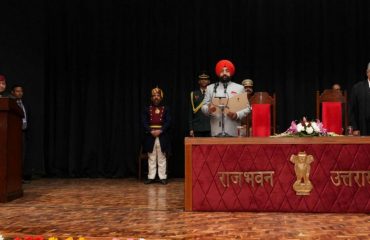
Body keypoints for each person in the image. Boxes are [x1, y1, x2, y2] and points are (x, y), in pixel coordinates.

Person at [201, 59, 251, 136]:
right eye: (222, 71)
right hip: (216, 131)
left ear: (231, 72)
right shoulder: (210, 88)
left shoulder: (239, 88)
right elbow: (203, 106)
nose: (224, 73)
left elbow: (247, 108)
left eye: (227, 71)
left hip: (233, 130)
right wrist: (208, 109)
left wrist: (237, 115)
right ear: (218, 73)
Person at [142, 87, 171, 184]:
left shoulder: (166, 108)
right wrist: (151, 131)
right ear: (151, 98)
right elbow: (144, 122)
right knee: (152, 156)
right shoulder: (147, 109)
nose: (156, 97)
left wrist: (161, 130)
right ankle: (151, 177)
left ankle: (162, 177)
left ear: (161, 97)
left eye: (158, 95)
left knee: (162, 156)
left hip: (162, 135)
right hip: (150, 135)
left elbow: (168, 121)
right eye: (154, 96)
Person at [11, 85, 31, 181]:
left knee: (23, 154)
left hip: (23, 132)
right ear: (13, 92)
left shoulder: (24, 104)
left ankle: (20, 176)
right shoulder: (11, 104)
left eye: (21, 91)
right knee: (14, 154)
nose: (20, 93)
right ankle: (14, 177)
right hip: (13, 132)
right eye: (17, 91)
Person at [349, 62, 370, 136]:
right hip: (362, 128)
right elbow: (352, 110)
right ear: (367, 72)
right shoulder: (357, 88)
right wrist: (355, 128)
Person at [188, 72, 211, 137]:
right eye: (201, 79)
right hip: (197, 127)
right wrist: (191, 128)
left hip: (210, 127)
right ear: (199, 81)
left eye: (206, 79)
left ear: (209, 81)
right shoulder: (193, 94)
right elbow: (190, 113)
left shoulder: (212, 93)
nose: (203, 81)